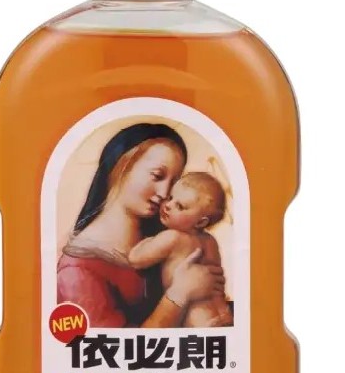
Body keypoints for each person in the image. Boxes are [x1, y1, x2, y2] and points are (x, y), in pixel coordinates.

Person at [57, 123, 225, 327]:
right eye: (157, 176)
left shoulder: (165, 240)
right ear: (122, 167)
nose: (164, 193)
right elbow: (110, 344)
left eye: (174, 183)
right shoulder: (78, 270)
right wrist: (180, 294)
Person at [128, 172, 233, 327]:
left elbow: (135, 259)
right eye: (170, 198)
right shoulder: (211, 242)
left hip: (196, 321)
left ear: (200, 223)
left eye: (180, 206)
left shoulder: (173, 238)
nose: (168, 205)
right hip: (222, 314)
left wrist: (149, 240)